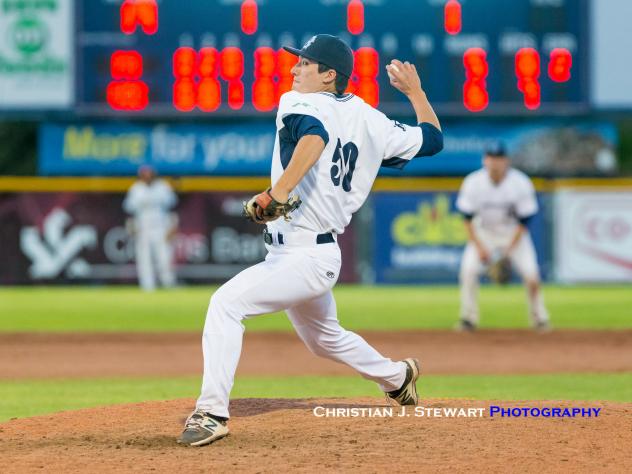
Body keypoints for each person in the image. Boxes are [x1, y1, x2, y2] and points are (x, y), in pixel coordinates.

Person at [177, 34, 443, 447]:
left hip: (304, 254)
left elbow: (314, 139)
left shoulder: (300, 100)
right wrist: (417, 93)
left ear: (328, 75)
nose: (294, 69)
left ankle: (212, 413)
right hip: (313, 252)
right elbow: (432, 140)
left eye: (304, 63)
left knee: (225, 305)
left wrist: (277, 193)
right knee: (324, 339)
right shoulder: (372, 119)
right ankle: (398, 376)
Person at [455, 141, 550, 332]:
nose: (495, 162)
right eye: (491, 158)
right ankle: (468, 318)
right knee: (468, 272)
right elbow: (466, 219)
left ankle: (540, 318)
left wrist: (509, 250)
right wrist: (480, 248)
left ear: (506, 161)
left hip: (513, 235)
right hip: (484, 234)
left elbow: (525, 221)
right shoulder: (473, 182)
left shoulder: (520, 183)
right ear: (484, 160)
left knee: (532, 276)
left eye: (499, 158)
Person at [123, 165, 178, 291]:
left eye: (149, 173)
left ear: (153, 174)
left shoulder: (163, 187)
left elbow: (172, 209)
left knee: (164, 258)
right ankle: (147, 287)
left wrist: (173, 226)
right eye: (144, 174)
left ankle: (168, 284)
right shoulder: (136, 189)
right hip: (143, 229)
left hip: (161, 228)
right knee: (144, 259)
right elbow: (129, 212)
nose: (147, 176)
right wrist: (131, 227)